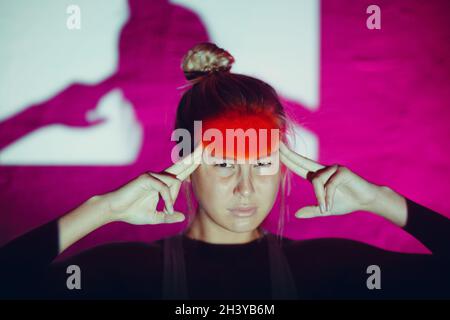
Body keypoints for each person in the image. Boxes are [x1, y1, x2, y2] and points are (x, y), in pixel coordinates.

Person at [1, 43, 449, 300]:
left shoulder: (329, 270)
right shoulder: (126, 274)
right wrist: (99, 210)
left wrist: (379, 200)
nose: (246, 187)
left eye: (262, 162)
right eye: (221, 163)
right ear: (185, 164)